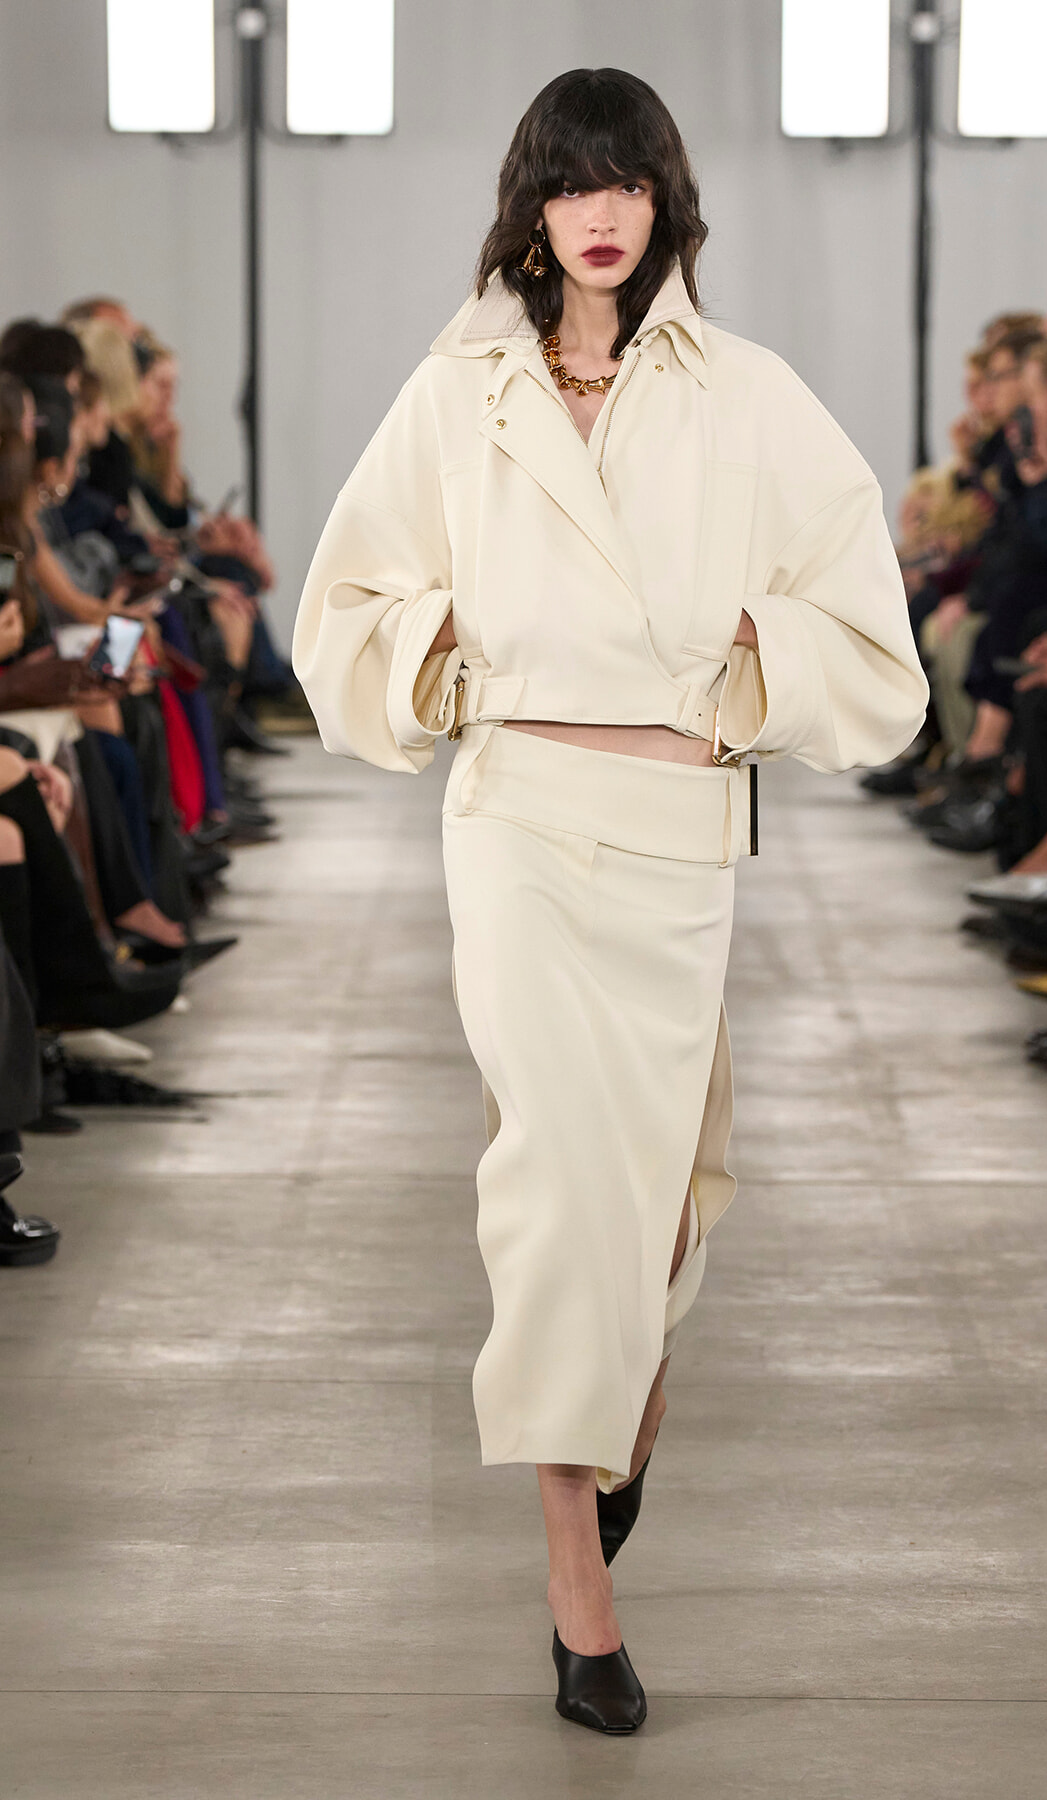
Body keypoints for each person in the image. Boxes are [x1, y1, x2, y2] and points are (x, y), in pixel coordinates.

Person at [293, 66, 927, 1735]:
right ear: (532, 203)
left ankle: (621, 1406)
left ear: (663, 203)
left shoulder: (752, 398)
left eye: (627, 182)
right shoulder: (460, 392)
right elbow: (343, 600)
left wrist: (738, 672)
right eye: (572, 182)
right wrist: (454, 667)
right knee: (559, 1184)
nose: (600, 212)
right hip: (517, 824)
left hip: (675, 832)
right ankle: (579, 1576)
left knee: (657, 1206)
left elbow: (873, 641)